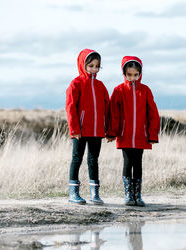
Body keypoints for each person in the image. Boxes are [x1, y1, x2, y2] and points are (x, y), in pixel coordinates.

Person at [107, 56, 160, 207]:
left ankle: (138, 195)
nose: (132, 78)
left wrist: (152, 134)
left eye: (136, 75)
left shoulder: (145, 90)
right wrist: (112, 132)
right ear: (124, 74)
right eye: (129, 75)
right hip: (124, 135)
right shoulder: (118, 90)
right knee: (127, 163)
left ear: (140, 74)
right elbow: (113, 113)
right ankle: (128, 195)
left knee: (138, 164)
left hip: (140, 135)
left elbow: (153, 113)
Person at [65, 49, 109, 205]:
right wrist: (75, 129)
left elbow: (107, 108)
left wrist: (108, 129)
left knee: (93, 160)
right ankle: (73, 193)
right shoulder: (75, 84)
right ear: (83, 65)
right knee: (76, 159)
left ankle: (94, 194)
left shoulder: (100, 86)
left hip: (97, 131)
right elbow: (70, 108)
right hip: (80, 131)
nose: (94, 69)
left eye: (97, 66)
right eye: (90, 65)